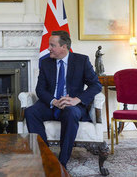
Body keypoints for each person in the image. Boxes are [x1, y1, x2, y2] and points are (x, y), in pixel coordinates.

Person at [25, 30, 102, 169]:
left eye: (52, 45)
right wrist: (54, 101)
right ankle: (45, 156)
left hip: (71, 105)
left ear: (64, 47)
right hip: (51, 104)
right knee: (30, 112)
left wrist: (76, 99)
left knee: (71, 112)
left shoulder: (81, 61)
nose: (48, 48)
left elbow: (96, 85)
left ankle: (62, 162)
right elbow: (40, 90)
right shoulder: (46, 63)